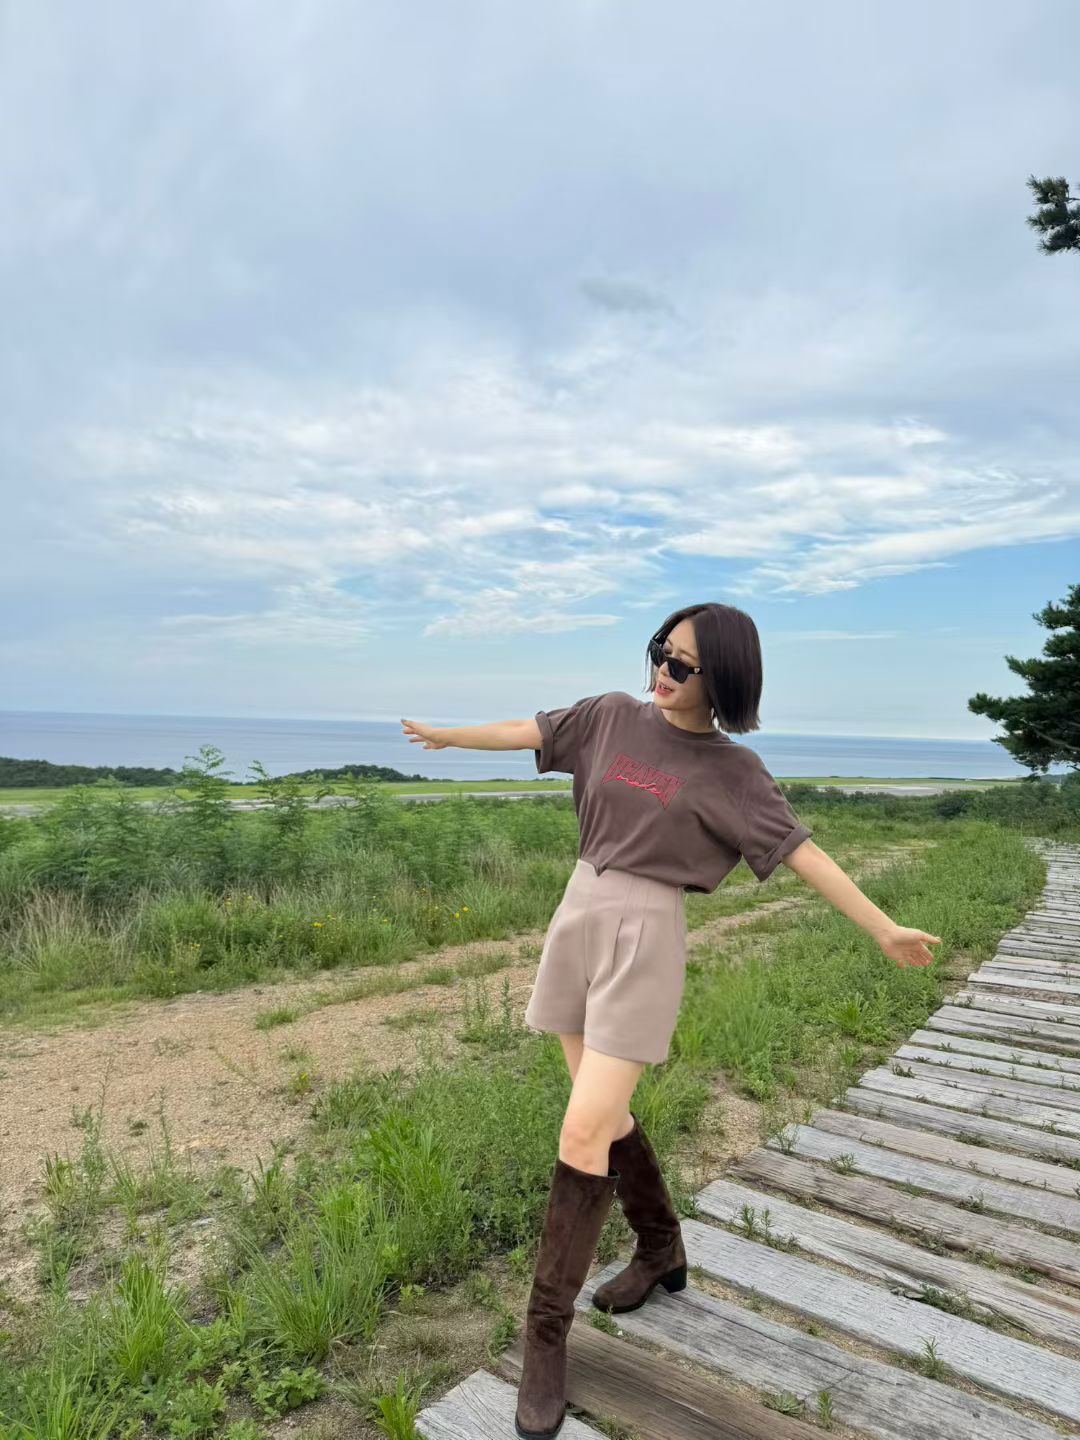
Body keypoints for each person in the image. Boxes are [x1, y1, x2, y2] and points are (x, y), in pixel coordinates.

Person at [400, 600, 941, 1440]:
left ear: (723, 678)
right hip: (578, 912)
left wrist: (883, 928)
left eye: (683, 663)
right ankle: (660, 1248)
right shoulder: (610, 716)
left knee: (583, 1131)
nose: (663, 669)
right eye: (661, 650)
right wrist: (448, 736)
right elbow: (527, 729)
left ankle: (545, 1335)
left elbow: (802, 853)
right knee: (601, 1112)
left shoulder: (734, 771)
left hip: (647, 934)